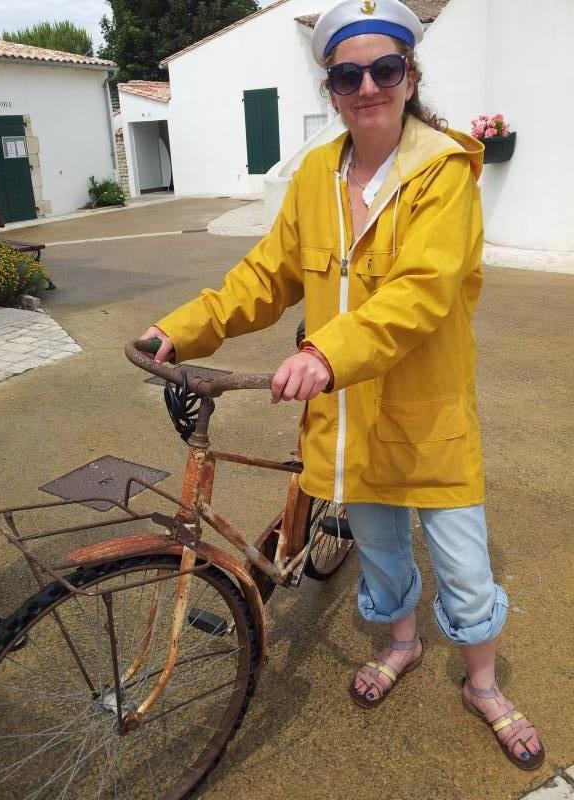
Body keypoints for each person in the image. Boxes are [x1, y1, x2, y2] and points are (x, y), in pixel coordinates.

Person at [140, 0, 543, 769]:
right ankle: (401, 644)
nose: (368, 87)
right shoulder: (316, 179)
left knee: (462, 565)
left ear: (409, 76)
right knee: (385, 555)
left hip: (427, 416)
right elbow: (265, 275)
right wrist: (179, 329)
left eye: (384, 69)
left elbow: (422, 291)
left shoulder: (444, 172)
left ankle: (484, 682)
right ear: (331, 88)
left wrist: (324, 353)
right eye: (348, 75)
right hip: (349, 419)